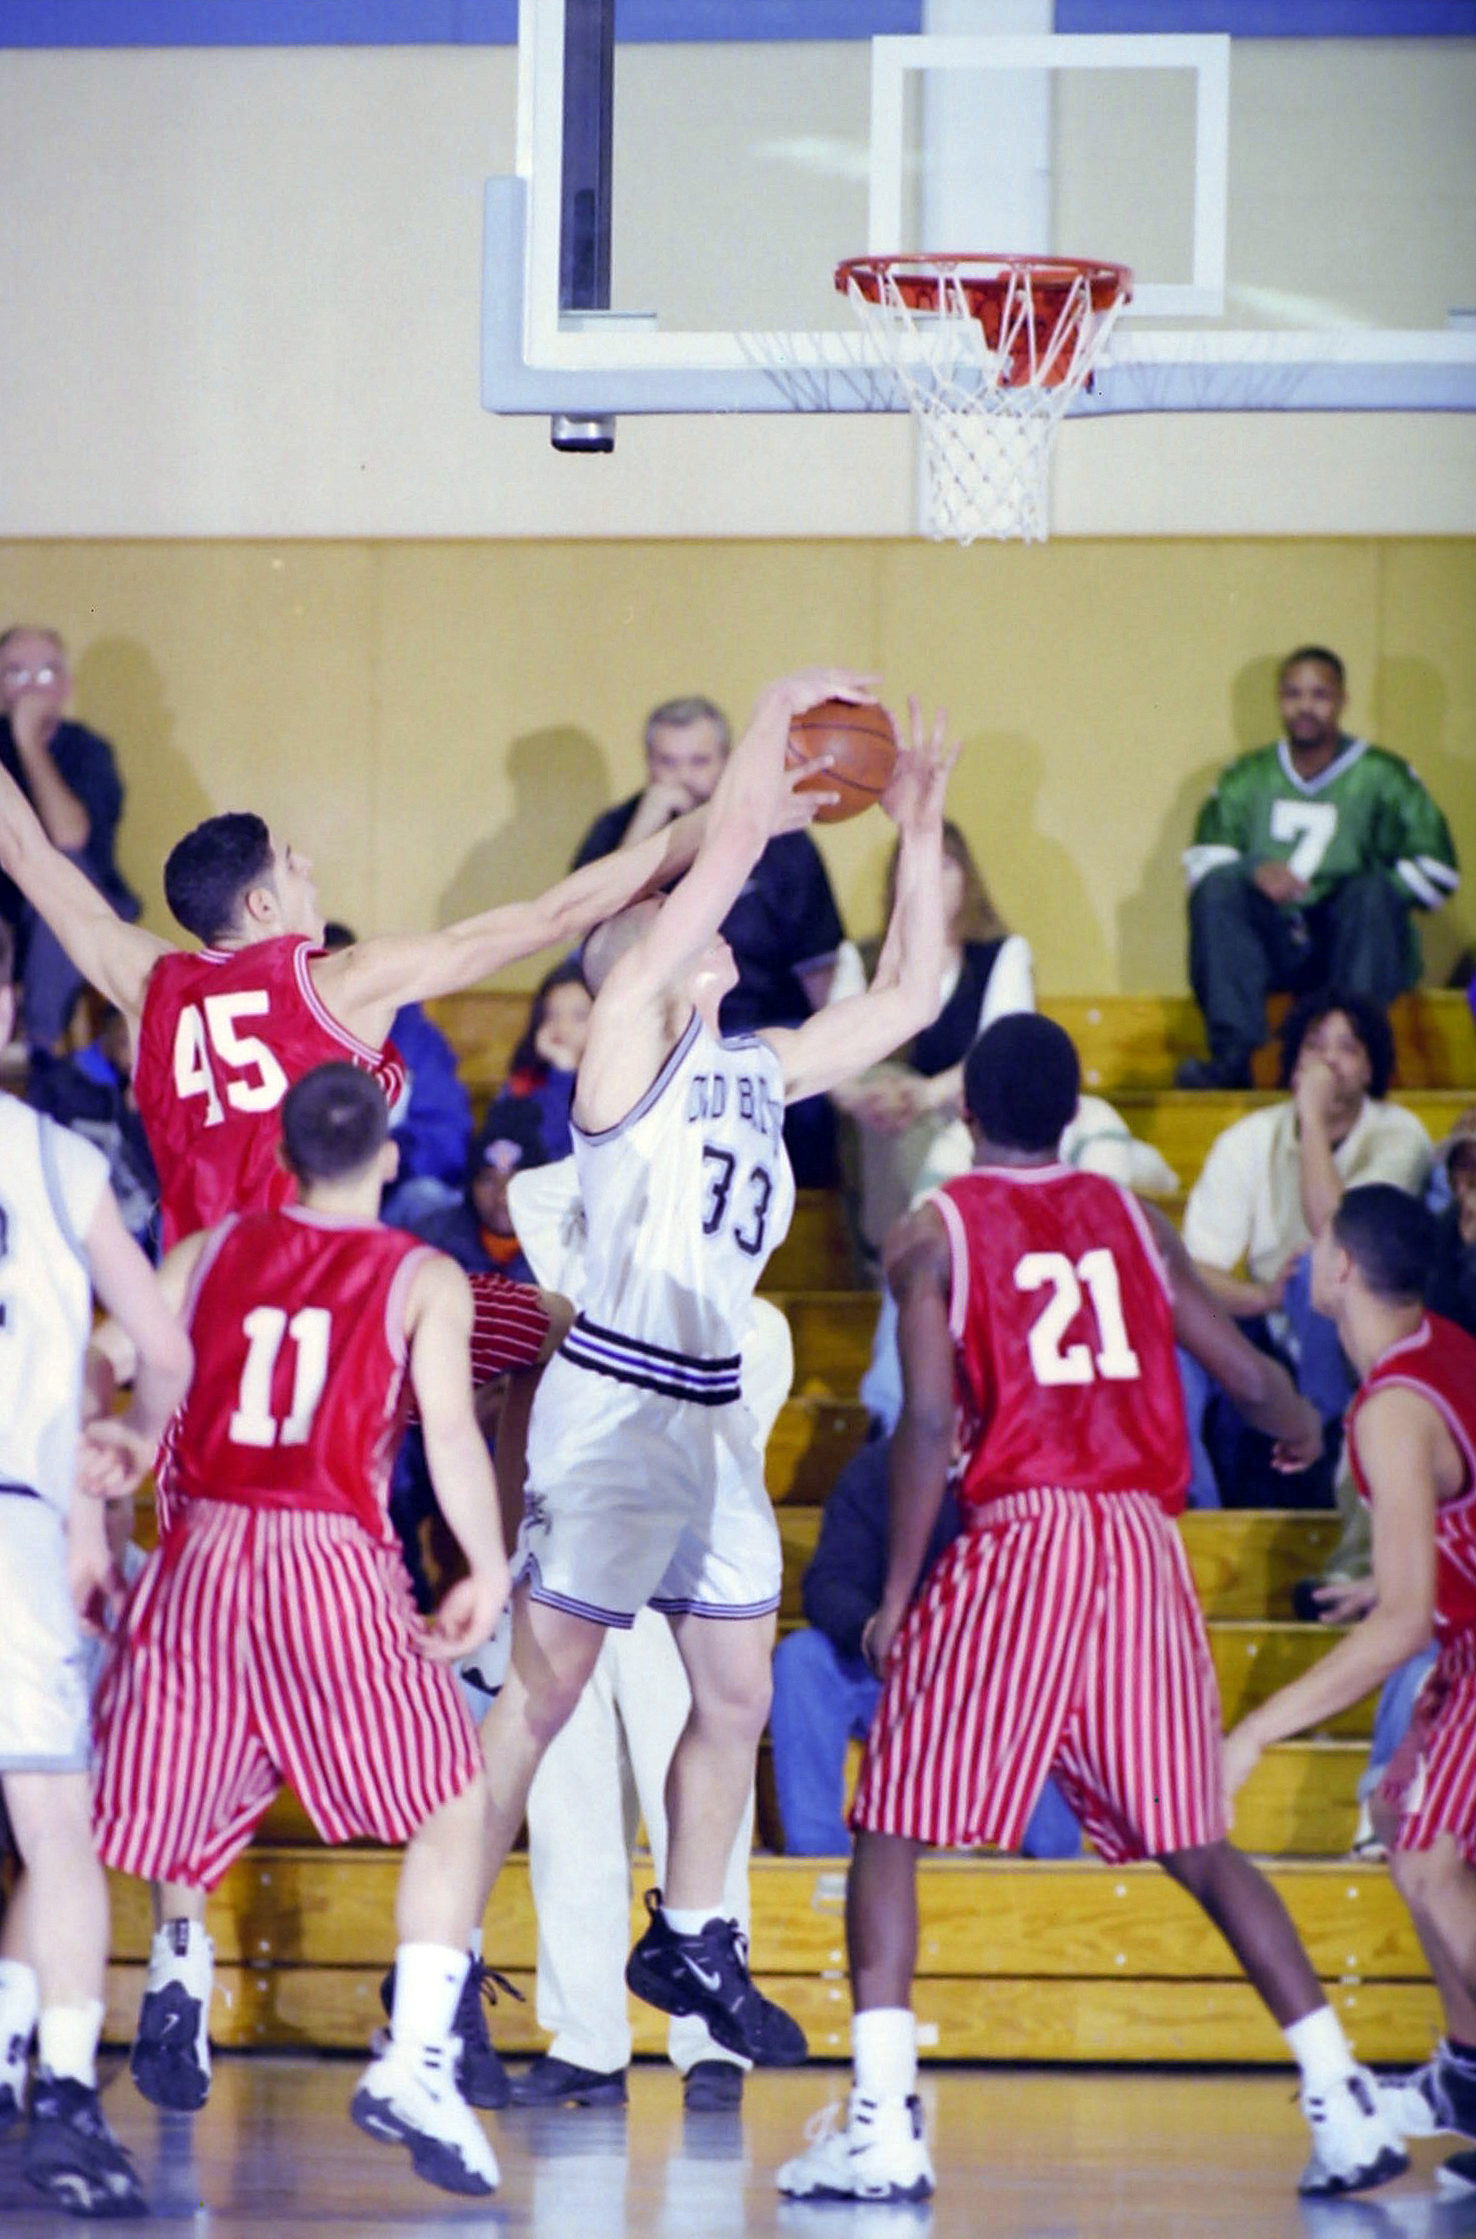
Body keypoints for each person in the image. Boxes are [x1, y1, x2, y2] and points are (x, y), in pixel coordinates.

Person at [777, 1012, 1407, 2207]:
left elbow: (925, 1423)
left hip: (1027, 1534)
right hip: (1139, 1544)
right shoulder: (1132, 1218)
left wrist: (901, 1595)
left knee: (893, 1824)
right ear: (1072, 1115)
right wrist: (1296, 1425)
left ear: (969, 1113)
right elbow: (1246, 1372)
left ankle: (882, 2124)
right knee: (1195, 1837)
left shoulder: (933, 1231)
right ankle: (1340, 2096)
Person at [473, 668, 957, 2075]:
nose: (715, 925)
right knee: (544, 1697)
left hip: (706, 1417)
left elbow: (916, 990)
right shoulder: (628, 1045)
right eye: (684, 923)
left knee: (732, 1694)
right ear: (650, 957)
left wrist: (921, 824)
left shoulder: (757, 1065)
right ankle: (433, 1958)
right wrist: (769, 723)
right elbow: (728, 848)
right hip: (619, 1403)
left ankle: (689, 1937)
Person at [88, 1066, 512, 2196]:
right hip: (326, 1555)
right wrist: (483, 1566)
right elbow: (452, 1437)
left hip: (206, 1550)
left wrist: (107, 1435)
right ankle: (417, 2058)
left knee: (141, 1812)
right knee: (452, 1799)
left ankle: (130, 2005)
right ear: (390, 1156)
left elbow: (107, 1356)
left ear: (281, 1155)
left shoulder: (206, 1251)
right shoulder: (421, 1274)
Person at [0, 752, 801, 1248]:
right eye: (289, 861)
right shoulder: (343, 981)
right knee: (512, 1333)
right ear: (262, 906)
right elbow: (552, 915)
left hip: (198, 1298)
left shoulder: (148, 983)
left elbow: (26, 850)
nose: (307, 865)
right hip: (312, 1287)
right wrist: (724, 823)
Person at [504, 1151, 791, 2111]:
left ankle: (712, 2041)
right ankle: (585, 2039)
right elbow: (536, 1194)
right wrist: (631, 1151)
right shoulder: (577, 1308)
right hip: (567, 1583)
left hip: (681, 1596)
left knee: (698, 1821)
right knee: (569, 1817)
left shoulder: (753, 1325)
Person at [1221, 1186, 1476, 2196]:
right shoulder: (1442, 1347)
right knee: (1406, 1823)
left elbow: (1405, 1626)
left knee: (1428, 1861)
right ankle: (1467, 2073)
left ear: (1339, 1270)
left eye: (1319, 1238)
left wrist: (1256, 1731)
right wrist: (1401, 1575)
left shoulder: (1392, 1407)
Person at [0, 916, 193, 2217]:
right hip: (21, 1519)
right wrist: (129, 1434)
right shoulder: (57, 1154)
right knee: (55, 1827)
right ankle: (64, 2097)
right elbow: (164, 1342)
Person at [571, 692, 846, 1185]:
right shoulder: (616, 830)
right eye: (666, 762)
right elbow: (590, 940)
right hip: (649, 1035)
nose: (682, 777)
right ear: (647, 763)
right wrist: (649, 826)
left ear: (726, 761)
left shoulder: (780, 837)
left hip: (759, 1030)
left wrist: (836, 1051)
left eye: (698, 762)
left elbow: (820, 969)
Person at [769, 1434, 1083, 1860]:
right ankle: (818, 1854)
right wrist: (872, 1630)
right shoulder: (876, 1471)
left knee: (1057, 1664)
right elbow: (829, 1584)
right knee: (803, 1659)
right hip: (893, 1676)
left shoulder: (1033, 1472)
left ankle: (1055, 1864)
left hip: (1000, 1687)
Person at [1181, 988, 1431, 1508]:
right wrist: (1259, 1298)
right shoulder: (1248, 1138)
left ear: (1371, 1068)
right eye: (1315, 1045)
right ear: (1294, 1060)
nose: (1328, 1061)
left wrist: (1311, 1120)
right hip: (1267, 1317)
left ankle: (1326, 1445)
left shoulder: (1399, 1135)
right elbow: (1192, 1270)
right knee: (1179, 1330)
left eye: (1347, 1048)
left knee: (1321, 1268)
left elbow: (1340, 1234)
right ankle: (1192, 1503)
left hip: (1355, 1322)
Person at [1177, 644, 1461, 1090]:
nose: (1305, 707)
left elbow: (1439, 869)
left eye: (1319, 695)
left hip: (1349, 944)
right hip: (1271, 946)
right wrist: (1252, 869)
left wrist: (1357, 891)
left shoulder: (1383, 776)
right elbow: (1203, 862)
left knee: (1370, 894)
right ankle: (1233, 1058)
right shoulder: (1245, 777)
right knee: (1218, 890)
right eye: (1293, 694)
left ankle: (1355, 1056)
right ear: (1278, 699)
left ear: (1343, 700)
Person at [828, 820, 1033, 1269]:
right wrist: (862, 1098)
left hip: (966, 1118)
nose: (930, 879)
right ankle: (918, 1254)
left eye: (944, 865)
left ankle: (912, 1255)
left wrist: (926, 1094)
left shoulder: (1001, 955)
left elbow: (1001, 1052)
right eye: (916, 866)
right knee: (883, 1090)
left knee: (920, 1108)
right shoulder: (859, 958)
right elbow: (831, 1059)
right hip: (880, 1125)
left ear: (967, 877)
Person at [0, 626, 140, 1055]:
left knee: (61, 875)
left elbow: (69, 837)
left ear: (66, 686)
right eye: (16, 673)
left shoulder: (89, 751)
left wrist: (28, 743)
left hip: (85, 904)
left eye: (46, 673)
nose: (31, 688)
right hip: (6, 908)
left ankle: (40, 1046)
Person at [320, 919, 473, 1228]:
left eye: (346, 975)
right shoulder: (291, 1036)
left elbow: (448, 1132)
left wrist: (390, 1156)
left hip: (395, 1185)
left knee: (428, 1199)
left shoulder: (415, 1036)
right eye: (326, 979)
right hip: (313, 1187)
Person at [27, 992, 160, 1255]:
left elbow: (154, 1178)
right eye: (125, 1041)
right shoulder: (60, 1085)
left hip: (138, 1229)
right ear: (106, 1032)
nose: (133, 1054)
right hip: (77, 1221)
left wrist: (136, 1118)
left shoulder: (147, 1088)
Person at [497, 958, 593, 1164]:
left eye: (579, 1016)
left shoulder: (616, 1085)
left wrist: (566, 1075)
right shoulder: (524, 1083)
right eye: (552, 1015)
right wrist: (562, 1074)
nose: (563, 1028)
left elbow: (572, 1155)